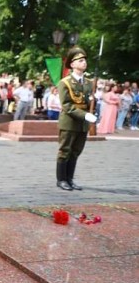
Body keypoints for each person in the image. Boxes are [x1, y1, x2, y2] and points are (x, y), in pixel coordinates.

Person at [55, 47, 97, 191]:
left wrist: (93, 106)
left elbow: (89, 102)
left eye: (84, 60)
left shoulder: (89, 83)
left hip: (82, 124)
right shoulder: (65, 82)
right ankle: (61, 180)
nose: (84, 63)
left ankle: (70, 179)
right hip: (69, 122)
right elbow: (66, 105)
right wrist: (85, 115)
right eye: (80, 60)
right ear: (72, 65)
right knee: (65, 150)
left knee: (76, 151)